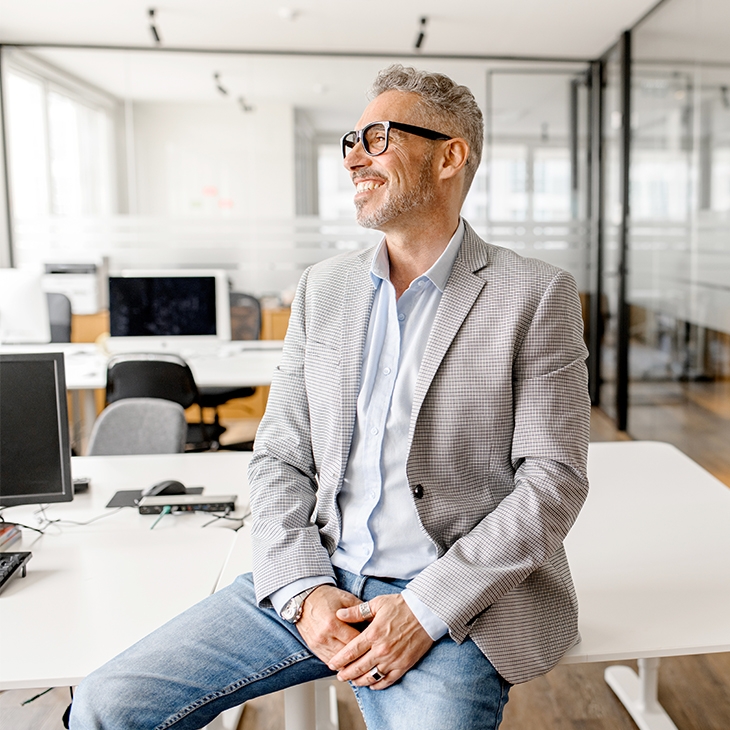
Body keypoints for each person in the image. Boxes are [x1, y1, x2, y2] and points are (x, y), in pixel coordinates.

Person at [69, 64, 590, 730]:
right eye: (350, 142)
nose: (354, 158)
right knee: (107, 703)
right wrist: (302, 588)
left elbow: (552, 483)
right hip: (318, 572)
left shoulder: (534, 294)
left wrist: (424, 609)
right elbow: (280, 456)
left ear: (450, 156)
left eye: (377, 137)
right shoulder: (324, 288)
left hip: (453, 602)